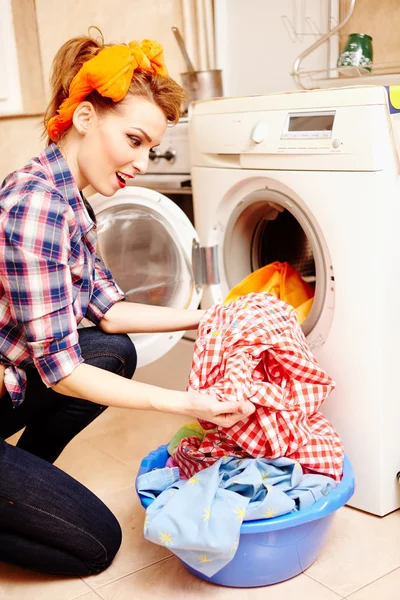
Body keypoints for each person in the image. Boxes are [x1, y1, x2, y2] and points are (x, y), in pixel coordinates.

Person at [0, 31, 255, 576]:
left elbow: (110, 311)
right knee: (96, 544)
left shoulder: (69, 196)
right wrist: (188, 403)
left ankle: (21, 480)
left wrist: (212, 315)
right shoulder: (36, 205)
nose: (142, 160)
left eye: (151, 147)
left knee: (114, 350)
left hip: (10, 384)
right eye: (134, 139)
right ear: (86, 117)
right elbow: (64, 373)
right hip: (16, 383)